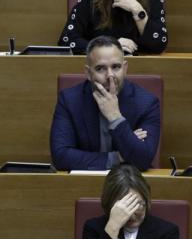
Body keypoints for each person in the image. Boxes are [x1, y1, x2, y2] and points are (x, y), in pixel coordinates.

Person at [50, 35, 159, 171]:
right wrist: (118, 157)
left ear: (125, 69)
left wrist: (115, 117)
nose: (110, 75)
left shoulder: (147, 103)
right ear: (88, 73)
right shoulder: (69, 100)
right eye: (101, 68)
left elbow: (143, 160)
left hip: (128, 185)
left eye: (116, 67)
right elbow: (61, 157)